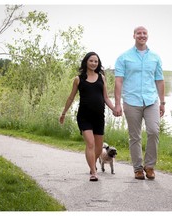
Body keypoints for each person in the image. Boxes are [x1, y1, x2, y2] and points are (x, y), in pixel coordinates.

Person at [114, 26, 165, 180]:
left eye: (144, 33)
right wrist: (117, 104)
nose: (142, 35)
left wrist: (162, 102)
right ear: (134, 36)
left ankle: (149, 166)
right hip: (131, 101)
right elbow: (118, 81)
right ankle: (137, 169)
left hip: (151, 101)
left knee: (154, 131)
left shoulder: (155, 57)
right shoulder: (124, 57)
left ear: (147, 36)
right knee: (134, 136)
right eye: (139, 33)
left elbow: (160, 80)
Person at [59, 51, 115, 182]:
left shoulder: (102, 78)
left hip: (99, 117)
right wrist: (63, 113)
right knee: (90, 144)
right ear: (86, 62)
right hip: (84, 116)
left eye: (96, 61)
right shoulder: (79, 79)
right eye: (91, 61)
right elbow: (71, 97)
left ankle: (92, 164)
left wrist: (114, 109)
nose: (94, 63)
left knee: (98, 146)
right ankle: (94, 172)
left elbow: (106, 97)